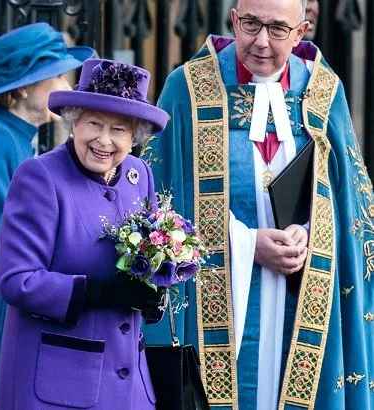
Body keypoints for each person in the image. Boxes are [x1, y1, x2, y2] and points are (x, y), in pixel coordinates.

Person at [145, 0, 374, 409]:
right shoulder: (187, 89)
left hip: (300, 291)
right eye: (250, 24)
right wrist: (246, 242)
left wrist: (310, 234)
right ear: (233, 19)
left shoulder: (324, 93)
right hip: (215, 294)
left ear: (301, 31)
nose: (262, 42)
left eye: (277, 29)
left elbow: (353, 207)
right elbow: (157, 199)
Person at [0, 57, 169, 409]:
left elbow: (148, 256)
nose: (104, 140)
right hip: (60, 384)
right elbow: (16, 280)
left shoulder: (139, 174)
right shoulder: (41, 177)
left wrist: (154, 293)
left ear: (134, 136)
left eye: (119, 129)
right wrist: (100, 292)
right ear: (74, 121)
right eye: (94, 123)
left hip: (130, 384)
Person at [0, 22, 94, 408]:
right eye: (57, 74)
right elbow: (7, 244)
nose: (67, 83)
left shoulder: (9, 139)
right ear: (24, 87)